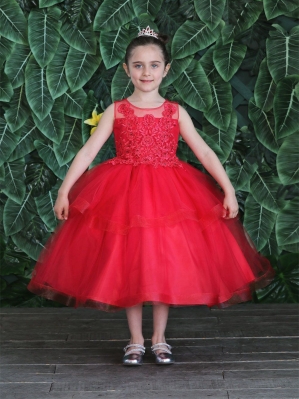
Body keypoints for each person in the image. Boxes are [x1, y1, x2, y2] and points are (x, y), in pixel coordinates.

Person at [27, 26, 275, 367]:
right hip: (124, 195)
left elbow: (203, 152)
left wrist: (228, 189)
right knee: (130, 265)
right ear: (127, 69)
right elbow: (87, 152)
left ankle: (159, 338)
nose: (147, 72)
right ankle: (135, 339)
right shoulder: (117, 111)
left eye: (154, 65)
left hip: (170, 195)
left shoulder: (175, 112)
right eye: (139, 65)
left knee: (162, 266)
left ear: (166, 69)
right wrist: (64, 190)